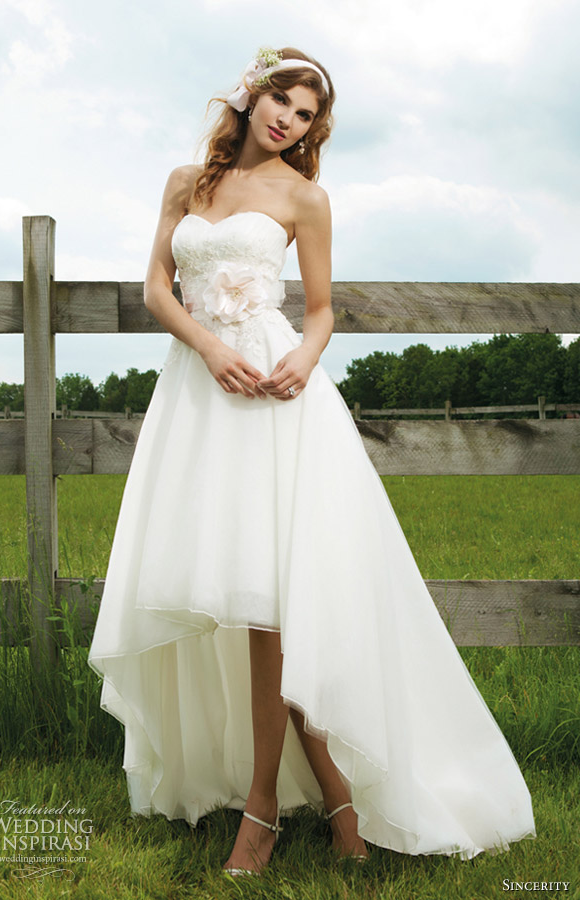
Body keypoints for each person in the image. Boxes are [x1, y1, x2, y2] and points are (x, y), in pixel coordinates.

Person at [88, 46, 536, 877]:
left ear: (311, 129)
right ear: (252, 97)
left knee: (274, 611)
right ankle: (339, 807)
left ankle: (265, 812)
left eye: (304, 114)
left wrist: (303, 357)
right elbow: (156, 286)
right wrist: (208, 347)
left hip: (275, 394)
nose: (286, 120)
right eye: (279, 101)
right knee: (246, 606)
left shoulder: (306, 197)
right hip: (201, 390)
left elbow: (322, 310)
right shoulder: (188, 182)